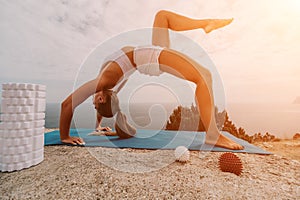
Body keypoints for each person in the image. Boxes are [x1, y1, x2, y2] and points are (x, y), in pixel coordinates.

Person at [59, 10, 243, 150]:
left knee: (162, 16)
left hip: (146, 55)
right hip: (146, 57)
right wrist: (65, 136)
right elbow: (67, 105)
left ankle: (205, 24)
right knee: (204, 76)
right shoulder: (105, 83)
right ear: (101, 98)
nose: (94, 103)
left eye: (95, 105)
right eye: (96, 105)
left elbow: (85, 105)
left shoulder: (106, 86)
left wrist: (97, 126)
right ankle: (212, 134)